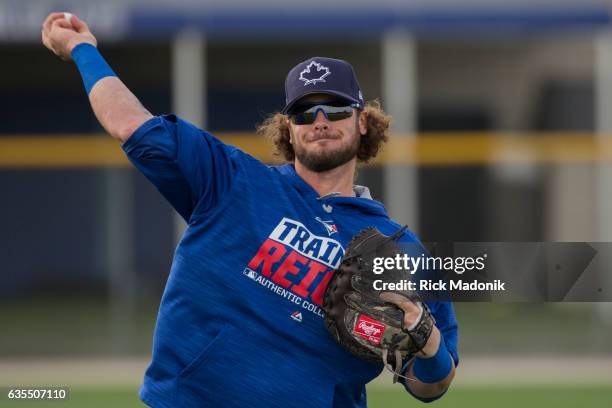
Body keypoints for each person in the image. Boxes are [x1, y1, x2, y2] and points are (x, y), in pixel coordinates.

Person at [42, 12, 458, 407]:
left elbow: (430, 387)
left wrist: (428, 341)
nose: (319, 120)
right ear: (288, 128)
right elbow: (129, 123)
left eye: (334, 108)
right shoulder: (231, 179)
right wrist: (83, 48)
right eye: (303, 111)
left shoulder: (400, 250)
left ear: (363, 121)